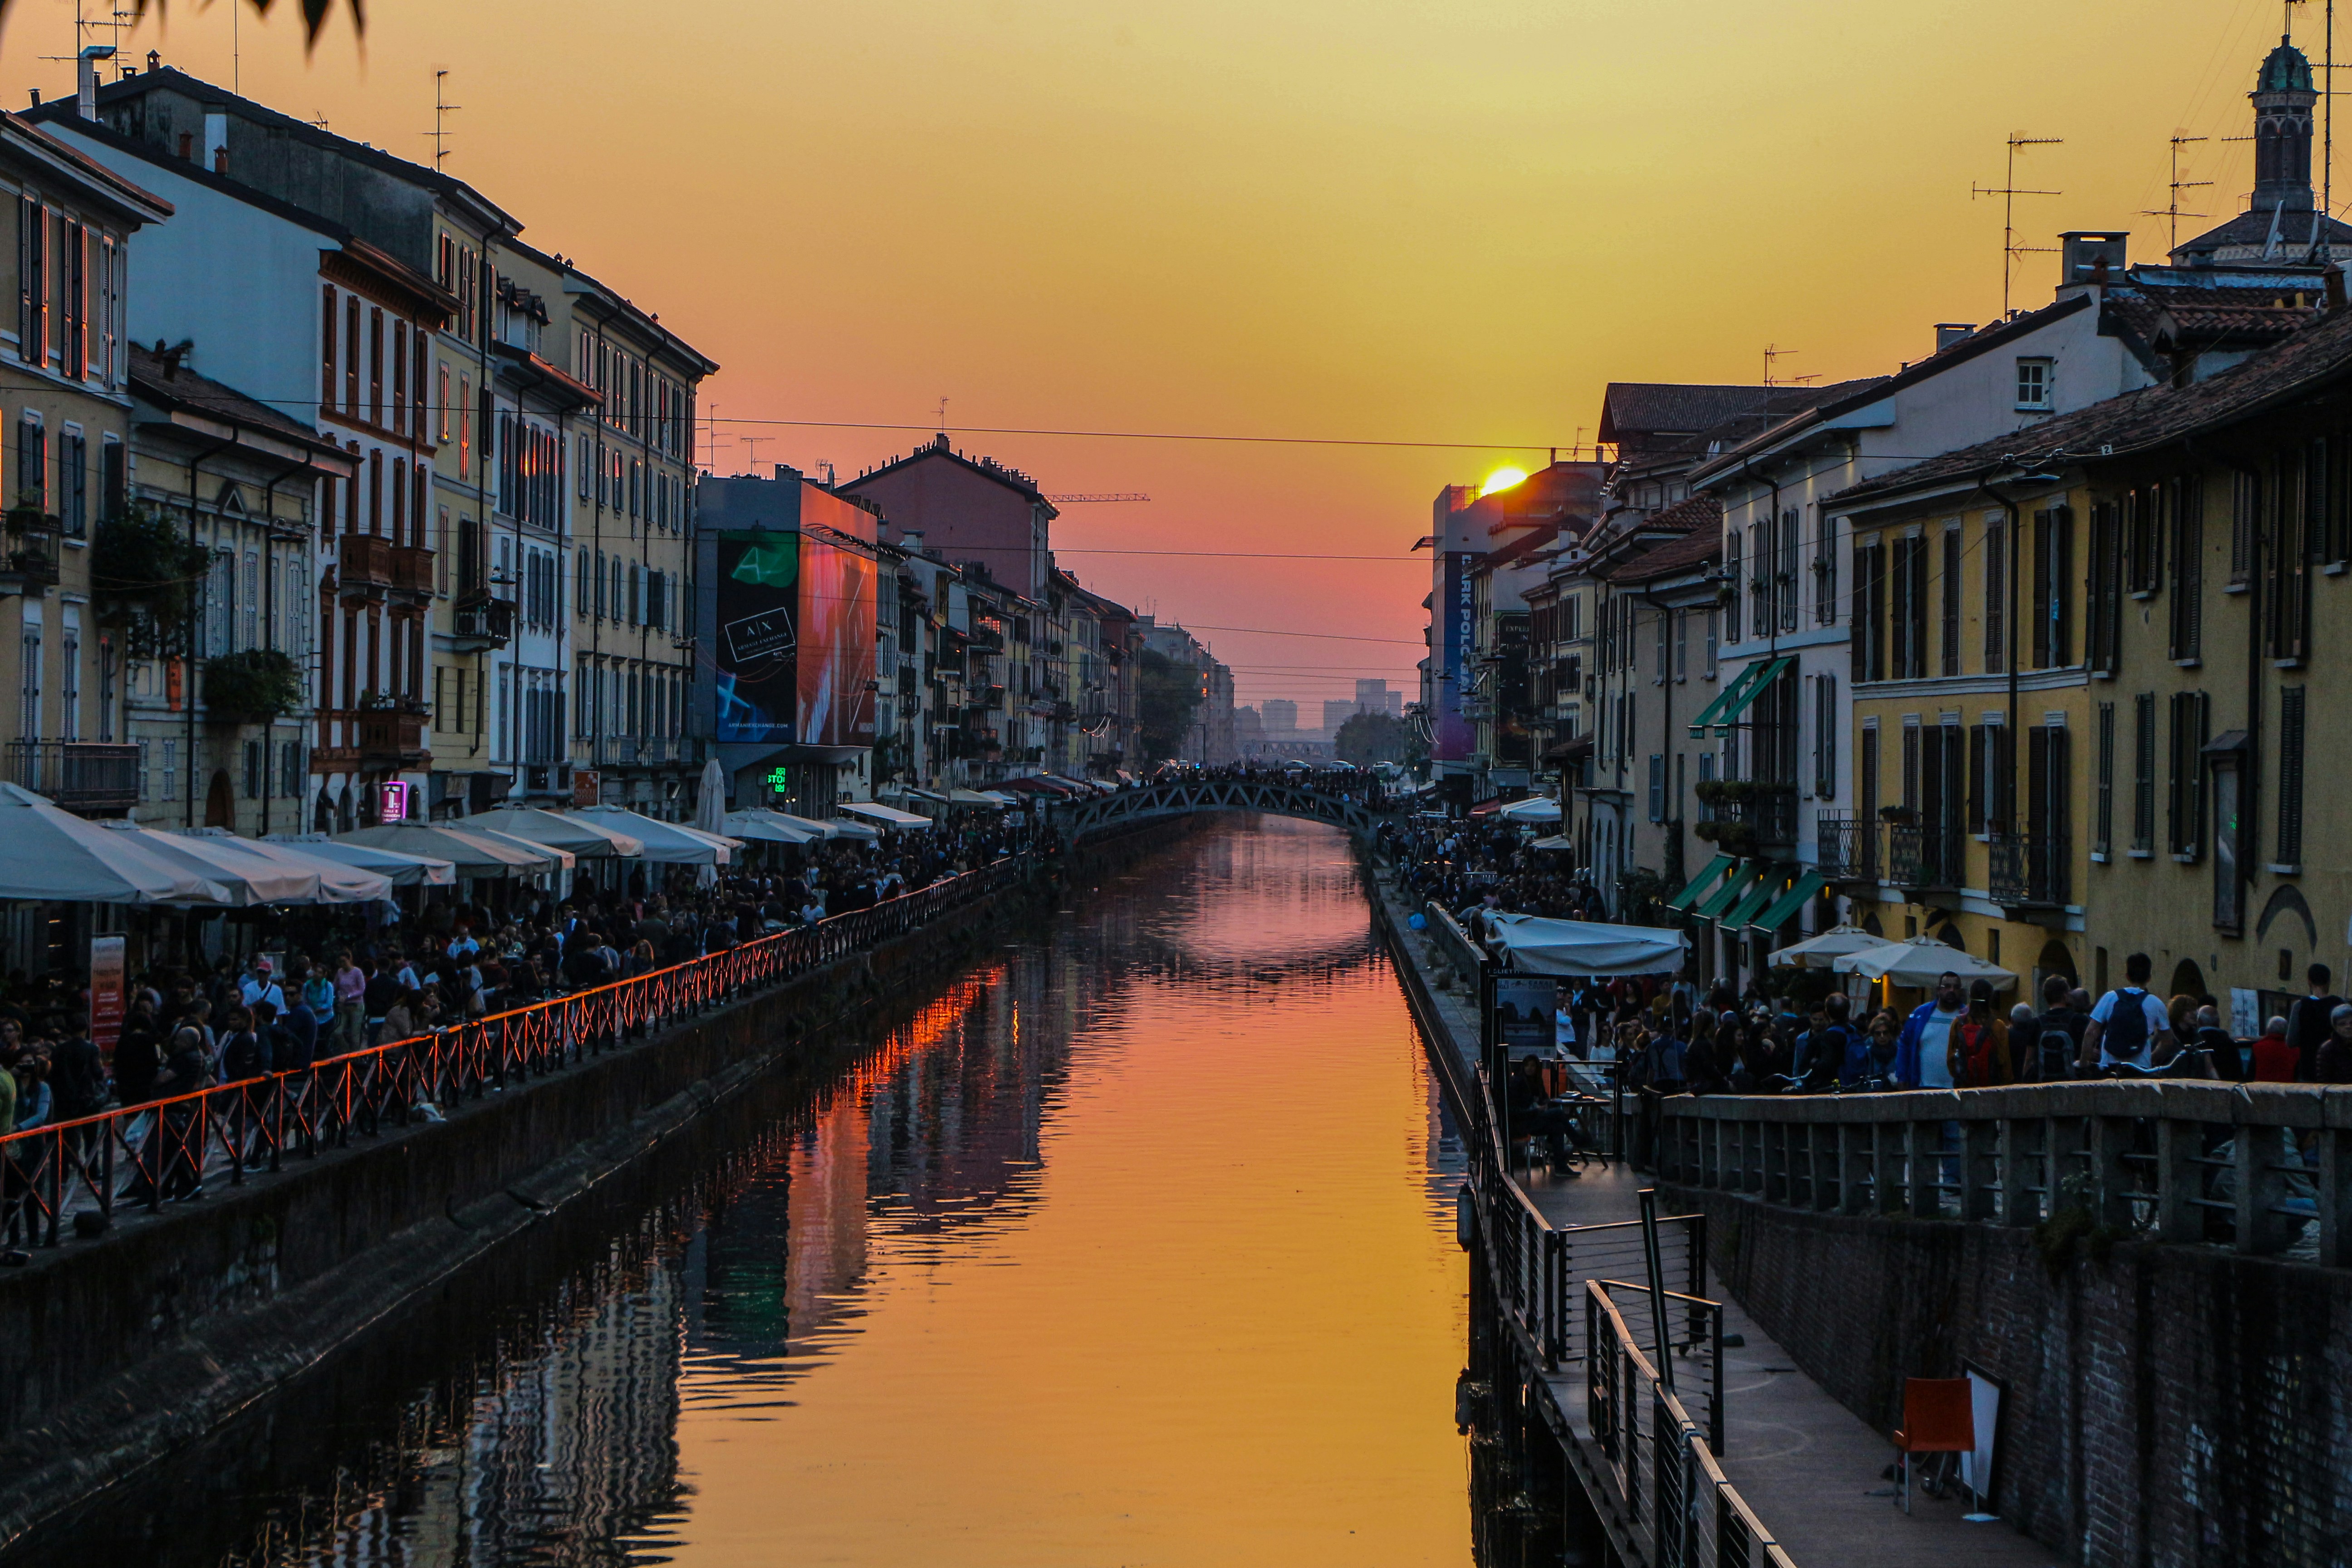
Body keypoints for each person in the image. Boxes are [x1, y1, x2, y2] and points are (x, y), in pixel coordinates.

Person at [2082, 952, 2176, 1072]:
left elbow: (2090, 1032)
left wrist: (2084, 1063)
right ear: (2149, 978)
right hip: (2140, 1068)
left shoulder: (2110, 997)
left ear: (2127, 976)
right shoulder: (2156, 1003)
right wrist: (2151, 1057)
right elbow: (2168, 1042)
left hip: (2109, 1066)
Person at [1893, 972, 1968, 1088]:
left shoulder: (1968, 1017)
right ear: (1938, 990)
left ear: (1961, 991)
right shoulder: (1920, 1015)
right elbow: (1905, 1045)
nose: (1952, 991)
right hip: (1924, 1087)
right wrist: (1902, 1076)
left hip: (1958, 1088)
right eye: (1947, 986)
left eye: (1956, 987)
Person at [2285, 964, 2347, 1082]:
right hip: (2336, 1070)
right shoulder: (2340, 1005)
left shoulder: (2301, 1006)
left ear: (2309, 982)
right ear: (2329, 982)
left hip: (2308, 1070)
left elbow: (2291, 1042)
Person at [1951, 980, 2013, 1087]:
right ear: (1991, 998)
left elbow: (1951, 1060)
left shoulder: (1959, 1023)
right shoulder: (1998, 1026)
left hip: (1965, 1088)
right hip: (1991, 1088)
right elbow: (2004, 1062)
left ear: (1970, 995)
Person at [2249, 1015, 2300, 1082]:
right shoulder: (2295, 1050)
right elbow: (2297, 1076)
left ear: (2268, 1030)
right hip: (2286, 1087)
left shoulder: (2258, 1048)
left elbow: (2250, 1075)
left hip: (2262, 1087)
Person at [2319, 1004, 2352, 1084]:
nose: (2348, 1027)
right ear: (2335, 1027)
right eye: (2342, 1024)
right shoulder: (2327, 1049)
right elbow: (2324, 1081)